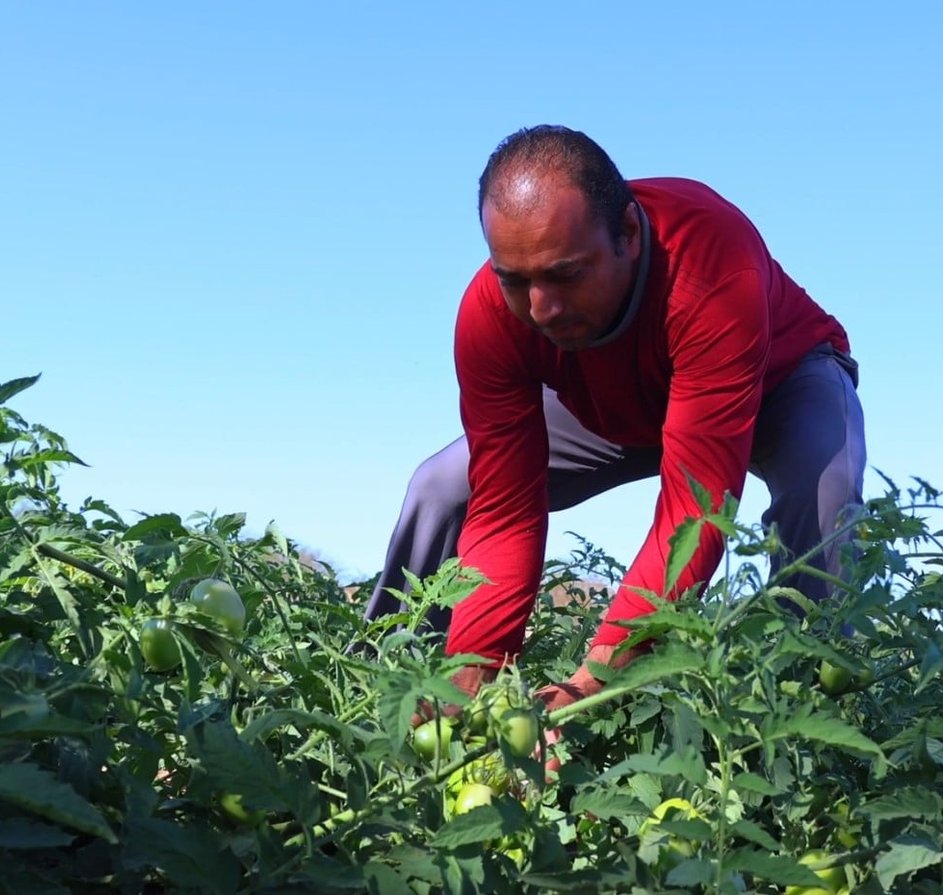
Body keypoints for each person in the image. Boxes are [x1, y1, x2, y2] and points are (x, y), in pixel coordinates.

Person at [362, 125, 866, 713]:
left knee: (822, 479)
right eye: (516, 281)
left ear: (628, 233)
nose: (540, 309)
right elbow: (505, 511)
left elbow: (695, 511)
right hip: (617, 404)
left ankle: (805, 712)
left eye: (565, 274)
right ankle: (396, 688)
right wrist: (475, 666)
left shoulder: (709, 266)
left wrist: (588, 684)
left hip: (776, 380)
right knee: (445, 484)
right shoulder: (492, 315)